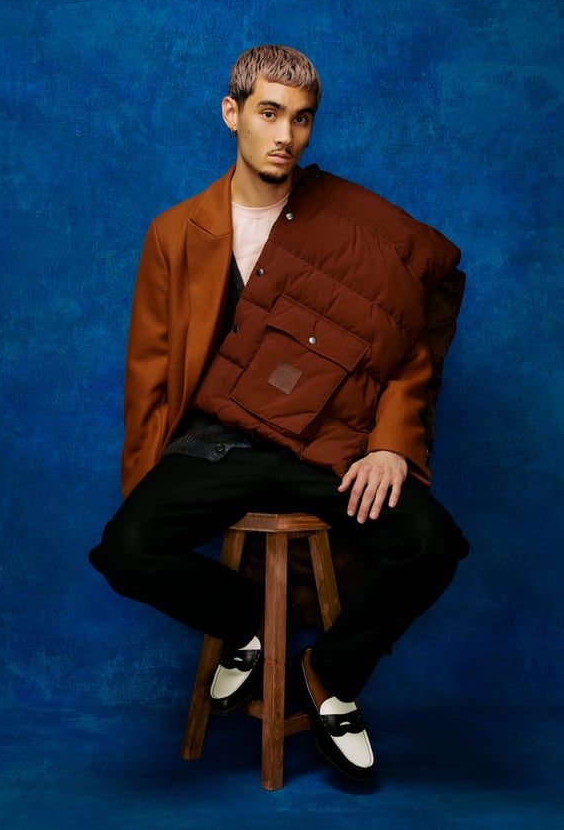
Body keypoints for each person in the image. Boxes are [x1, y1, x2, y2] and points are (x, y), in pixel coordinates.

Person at [89, 45, 469, 783]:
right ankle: (248, 628)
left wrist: (390, 445)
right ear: (231, 114)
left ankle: (330, 677)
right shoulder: (175, 232)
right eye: (268, 113)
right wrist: (146, 484)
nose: (285, 135)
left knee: (433, 545)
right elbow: (151, 375)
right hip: (218, 440)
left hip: (330, 440)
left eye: (301, 119)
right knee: (127, 549)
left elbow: (408, 342)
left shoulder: (360, 223)